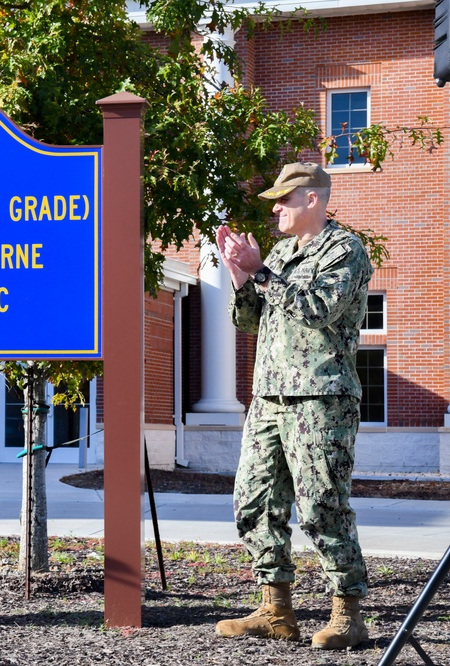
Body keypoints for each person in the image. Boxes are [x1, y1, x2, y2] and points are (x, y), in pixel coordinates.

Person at [213, 162, 373, 650]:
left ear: (312, 199)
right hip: (269, 397)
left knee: (323, 506)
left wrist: (262, 272)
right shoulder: (282, 252)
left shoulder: (345, 250)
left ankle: (348, 614)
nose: (276, 208)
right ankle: (276, 609)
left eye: (285, 199)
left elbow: (318, 308)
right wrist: (242, 277)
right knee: (254, 501)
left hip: (320, 399)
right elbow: (249, 321)